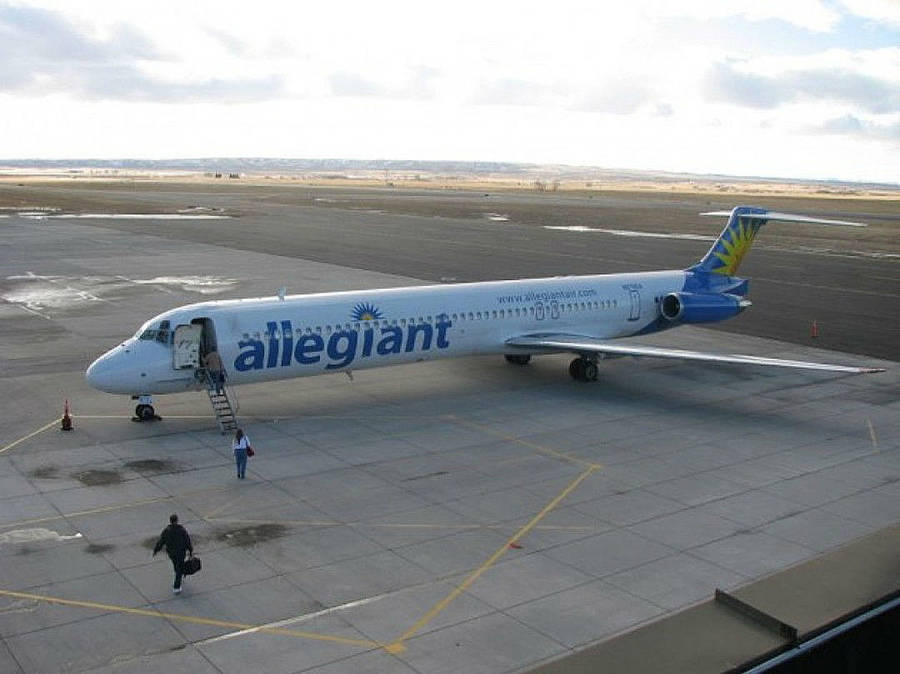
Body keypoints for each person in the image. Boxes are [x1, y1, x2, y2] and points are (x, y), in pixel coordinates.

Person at [152, 513, 193, 594]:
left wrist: (156, 550)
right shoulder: (181, 530)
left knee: (176, 566)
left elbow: (161, 541)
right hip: (181, 552)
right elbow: (187, 540)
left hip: (171, 553)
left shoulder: (166, 531)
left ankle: (179, 577)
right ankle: (176, 586)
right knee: (179, 568)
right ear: (177, 520)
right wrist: (190, 550)